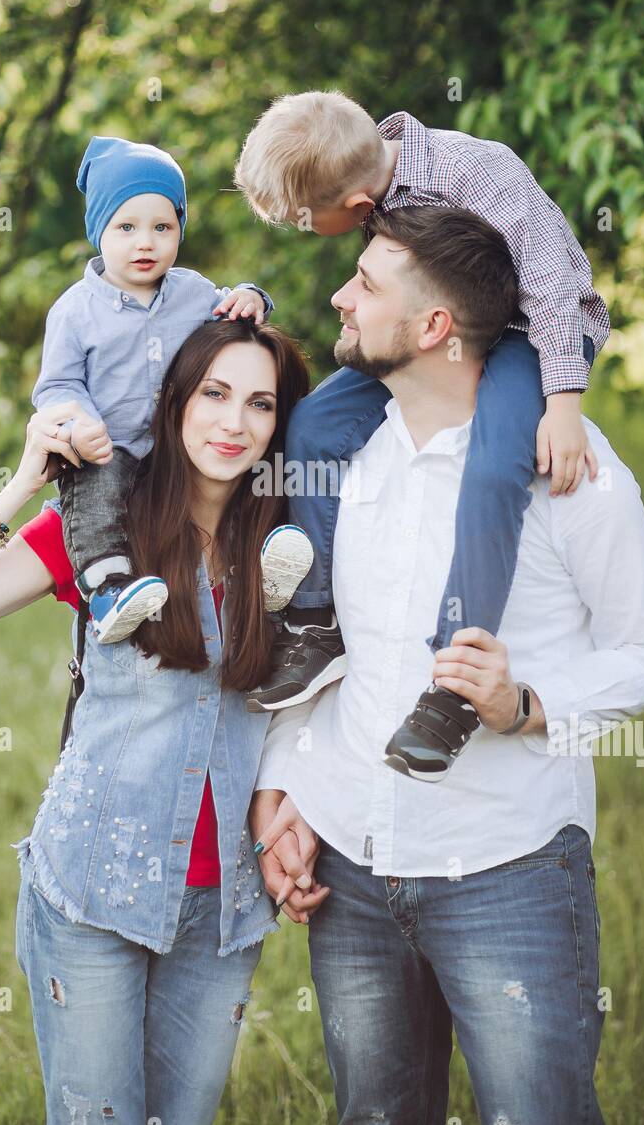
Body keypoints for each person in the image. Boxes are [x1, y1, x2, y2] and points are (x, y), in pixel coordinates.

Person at [249, 206, 644, 1125]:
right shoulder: (340, 457)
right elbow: (322, 643)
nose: (339, 295)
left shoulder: (568, 467)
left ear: (435, 329)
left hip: (509, 870)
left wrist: (528, 702)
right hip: (353, 872)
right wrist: (289, 785)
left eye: (366, 285)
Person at [0, 317, 314, 1125]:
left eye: (259, 405)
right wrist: (20, 486)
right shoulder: (104, 534)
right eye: (215, 394)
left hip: (221, 903)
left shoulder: (287, 541)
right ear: (176, 401)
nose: (234, 423)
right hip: (92, 888)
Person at [235, 91, 610, 780]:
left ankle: (456, 685)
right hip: (434, 329)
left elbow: (555, 287)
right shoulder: (363, 174)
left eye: (297, 220)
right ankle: (318, 621)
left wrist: (562, 402)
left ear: (350, 211)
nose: (296, 228)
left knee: (496, 467)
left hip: (530, 335)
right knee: (314, 425)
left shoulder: (479, 170)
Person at [33, 134, 312, 646]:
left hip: (173, 449)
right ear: (99, 230)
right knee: (96, 502)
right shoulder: (75, 311)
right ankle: (107, 589)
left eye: (163, 227)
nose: (146, 243)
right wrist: (78, 422)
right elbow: (58, 384)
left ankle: (265, 574)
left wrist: (252, 296)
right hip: (107, 447)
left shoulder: (191, 291)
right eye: (127, 228)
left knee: (240, 481)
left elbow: (232, 307)